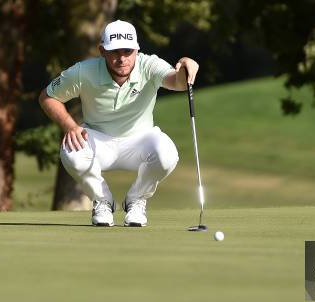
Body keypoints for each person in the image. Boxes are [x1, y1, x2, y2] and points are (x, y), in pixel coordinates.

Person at [39, 20, 199, 227]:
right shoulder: (83, 71)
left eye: (127, 51)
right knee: (71, 152)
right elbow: (47, 96)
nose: (122, 58)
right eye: (114, 52)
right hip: (98, 140)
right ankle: (102, 201)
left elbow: (177, 82)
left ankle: (136, 200)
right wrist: (70, 125)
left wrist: (186, 65)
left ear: (137, 50)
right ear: (102, 51)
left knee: (167, 155)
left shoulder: (149, 65)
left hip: (141, 139)